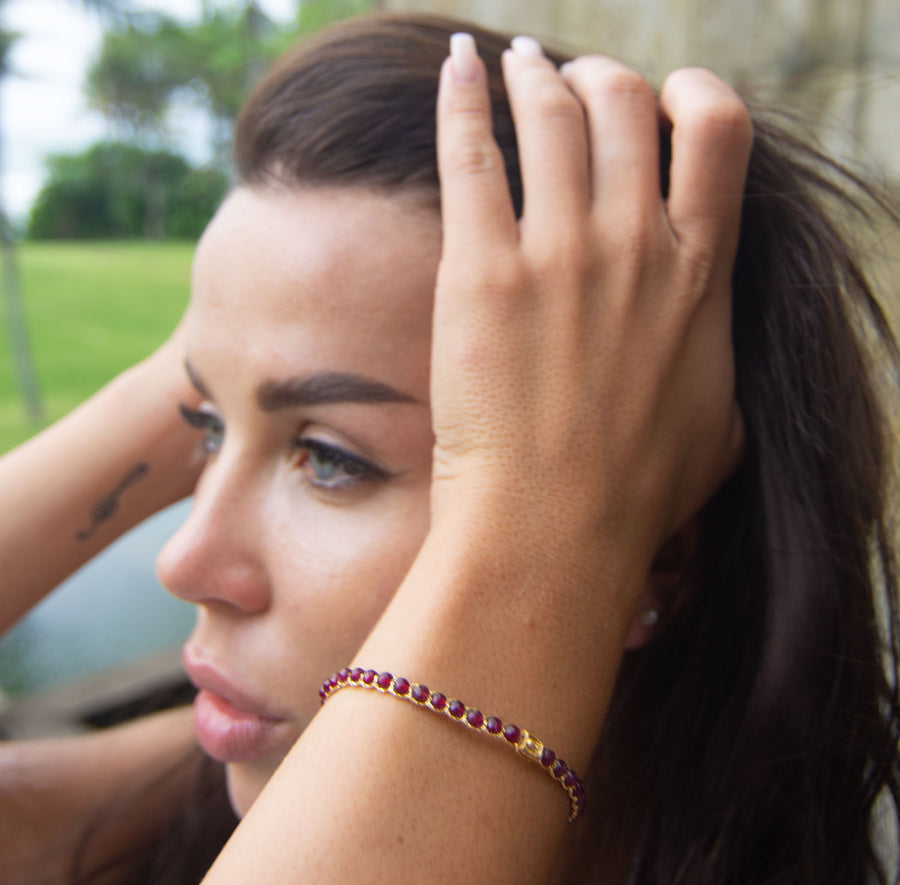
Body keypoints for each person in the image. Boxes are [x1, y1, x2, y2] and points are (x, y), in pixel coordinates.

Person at [1, 11, 898, 885]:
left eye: (329, 457)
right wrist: (211, 347)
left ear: (660, 554)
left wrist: (551, 535)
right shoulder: (190, 799)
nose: (186, 560)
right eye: (203, 427)